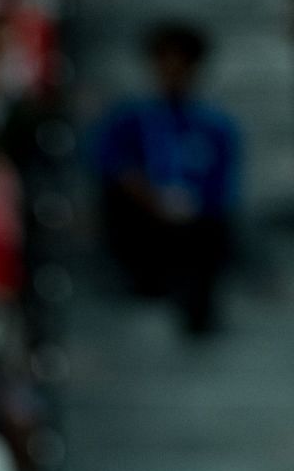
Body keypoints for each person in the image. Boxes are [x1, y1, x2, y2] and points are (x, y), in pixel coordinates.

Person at [93, 21, 239, 335]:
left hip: (196, 223)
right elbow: (109, 164)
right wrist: (153, 198)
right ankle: (143, 281)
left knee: (211, 231)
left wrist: (191, 206)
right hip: (146, 218)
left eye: (181, 64)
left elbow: (225, 187)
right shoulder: (130, 118)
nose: (172, 72)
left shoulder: (216, 126)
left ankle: (197, 305)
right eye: (165, 62)